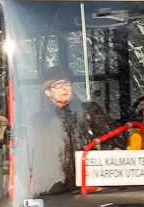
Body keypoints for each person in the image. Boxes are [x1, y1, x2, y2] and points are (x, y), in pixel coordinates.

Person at [25, 66, 122, 195]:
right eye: (58, 85)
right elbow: (29, 158)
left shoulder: (90, 111)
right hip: (52, 190)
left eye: (66, 83)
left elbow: (115, 140)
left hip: (91, 187)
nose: (64, 87)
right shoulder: (37, 121)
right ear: (47, 92)